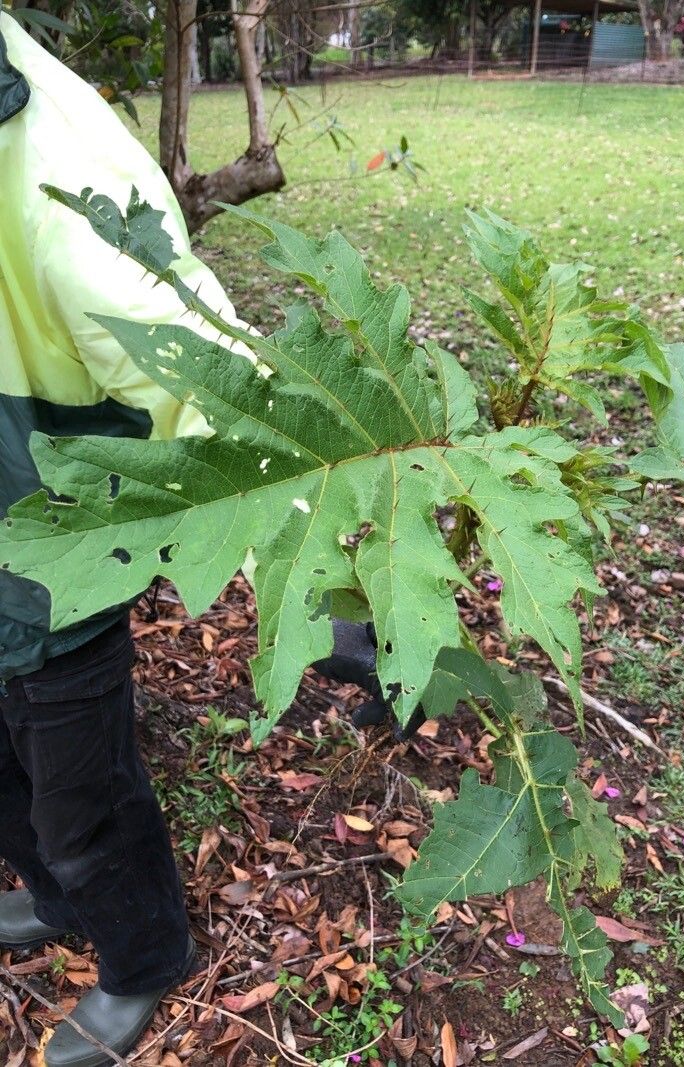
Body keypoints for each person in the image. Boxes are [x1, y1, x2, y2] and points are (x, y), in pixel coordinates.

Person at [0, 14, 406, 1066]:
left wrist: (334, 590)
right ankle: (56, 900)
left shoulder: (59, 173)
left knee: (82, 798)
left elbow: (216, 390)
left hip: (61, 556)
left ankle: (143, 954)